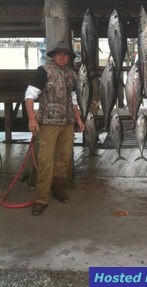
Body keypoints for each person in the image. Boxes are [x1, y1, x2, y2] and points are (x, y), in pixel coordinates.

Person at [25, 41, 85, 216]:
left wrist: (78, 119)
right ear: (52, 55)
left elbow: (73, 98)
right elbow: (30, 95)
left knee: (64, 158)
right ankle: (42, 198)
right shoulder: (43, 71)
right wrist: (31, 119)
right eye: (59, 53)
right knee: (45, 160)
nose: (62, 57)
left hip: (67, 123)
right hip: (49, 123)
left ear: (69, 58)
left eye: (65, 54)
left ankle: (58, 188)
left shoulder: (71, 74)